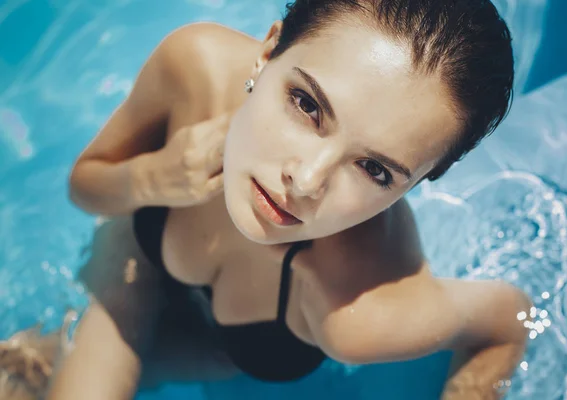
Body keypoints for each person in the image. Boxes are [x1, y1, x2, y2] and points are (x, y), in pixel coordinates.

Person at [44, 0, 531, 398]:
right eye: (307, 104)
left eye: (375, 169)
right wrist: (153, 177)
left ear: (425, 179)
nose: (306, 181)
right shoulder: (196, 69)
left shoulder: (357, 309)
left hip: (223, 351)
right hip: (136, 267)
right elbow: (84, 185)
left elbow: (507, 320)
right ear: (268, 51)